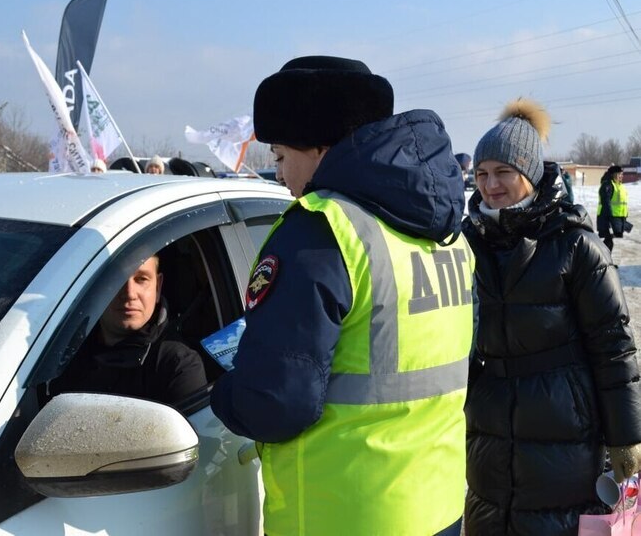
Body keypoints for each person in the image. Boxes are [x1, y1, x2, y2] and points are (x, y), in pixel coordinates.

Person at [210, 56, 472, 536]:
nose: (281, 177)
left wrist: (221, 392)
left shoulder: (321, 232)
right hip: (437, 503)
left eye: (281, 157)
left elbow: (276, 403)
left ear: (320, 148)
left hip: (345, 514)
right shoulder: (447, 235)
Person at [463, 99, 641, 536]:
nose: (490, 185)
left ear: (529, 173)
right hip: (487, 429)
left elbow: (613, 347)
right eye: (482, 173)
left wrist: (625, 437)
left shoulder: (575, 246)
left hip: (563, 430)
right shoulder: (466, 242)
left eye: (503, 172)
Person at [50, 254, 207, 407]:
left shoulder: (177, 364)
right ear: (94, 288)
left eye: (141, 279)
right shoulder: (61, 351)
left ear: (158, 287)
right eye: (116, 280)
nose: (129, 293)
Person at [597, 164, 628, 253]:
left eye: (622, 174)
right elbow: (606, 202)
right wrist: (610, 219)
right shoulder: (608, 185)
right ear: (614, 175)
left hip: (616, 218)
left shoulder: (618, 185)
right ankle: (602, 261)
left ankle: (604, 261)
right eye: (620, 174)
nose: (622, 176)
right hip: (607, 218)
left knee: (609, 242)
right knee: (608, 242)